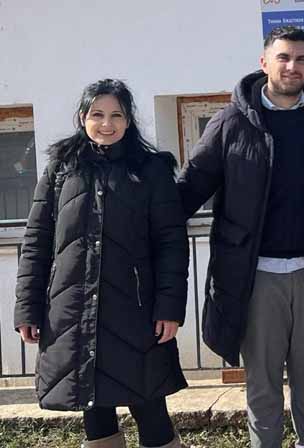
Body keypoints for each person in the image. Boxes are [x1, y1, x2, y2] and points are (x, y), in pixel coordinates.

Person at [176, 26, 304, 448]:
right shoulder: (231, 122)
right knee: (262, 384)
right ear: (264, 63)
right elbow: (189, 187)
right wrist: (141, 219)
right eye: (283, 57)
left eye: (301, 59)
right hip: (255, 276)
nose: (292, 66)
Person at [14, 79, 190, 448]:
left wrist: (170, 308)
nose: (106, 124)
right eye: (97, 114)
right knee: (93, 408)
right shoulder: (61, 169)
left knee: (150, 407)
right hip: (74, 312)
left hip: (135, 312)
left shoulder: (151, 171)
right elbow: (37, 243)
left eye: (116, 115)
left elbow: (171, 244)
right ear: (83, 117)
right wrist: (27, 309)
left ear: (128, 121)